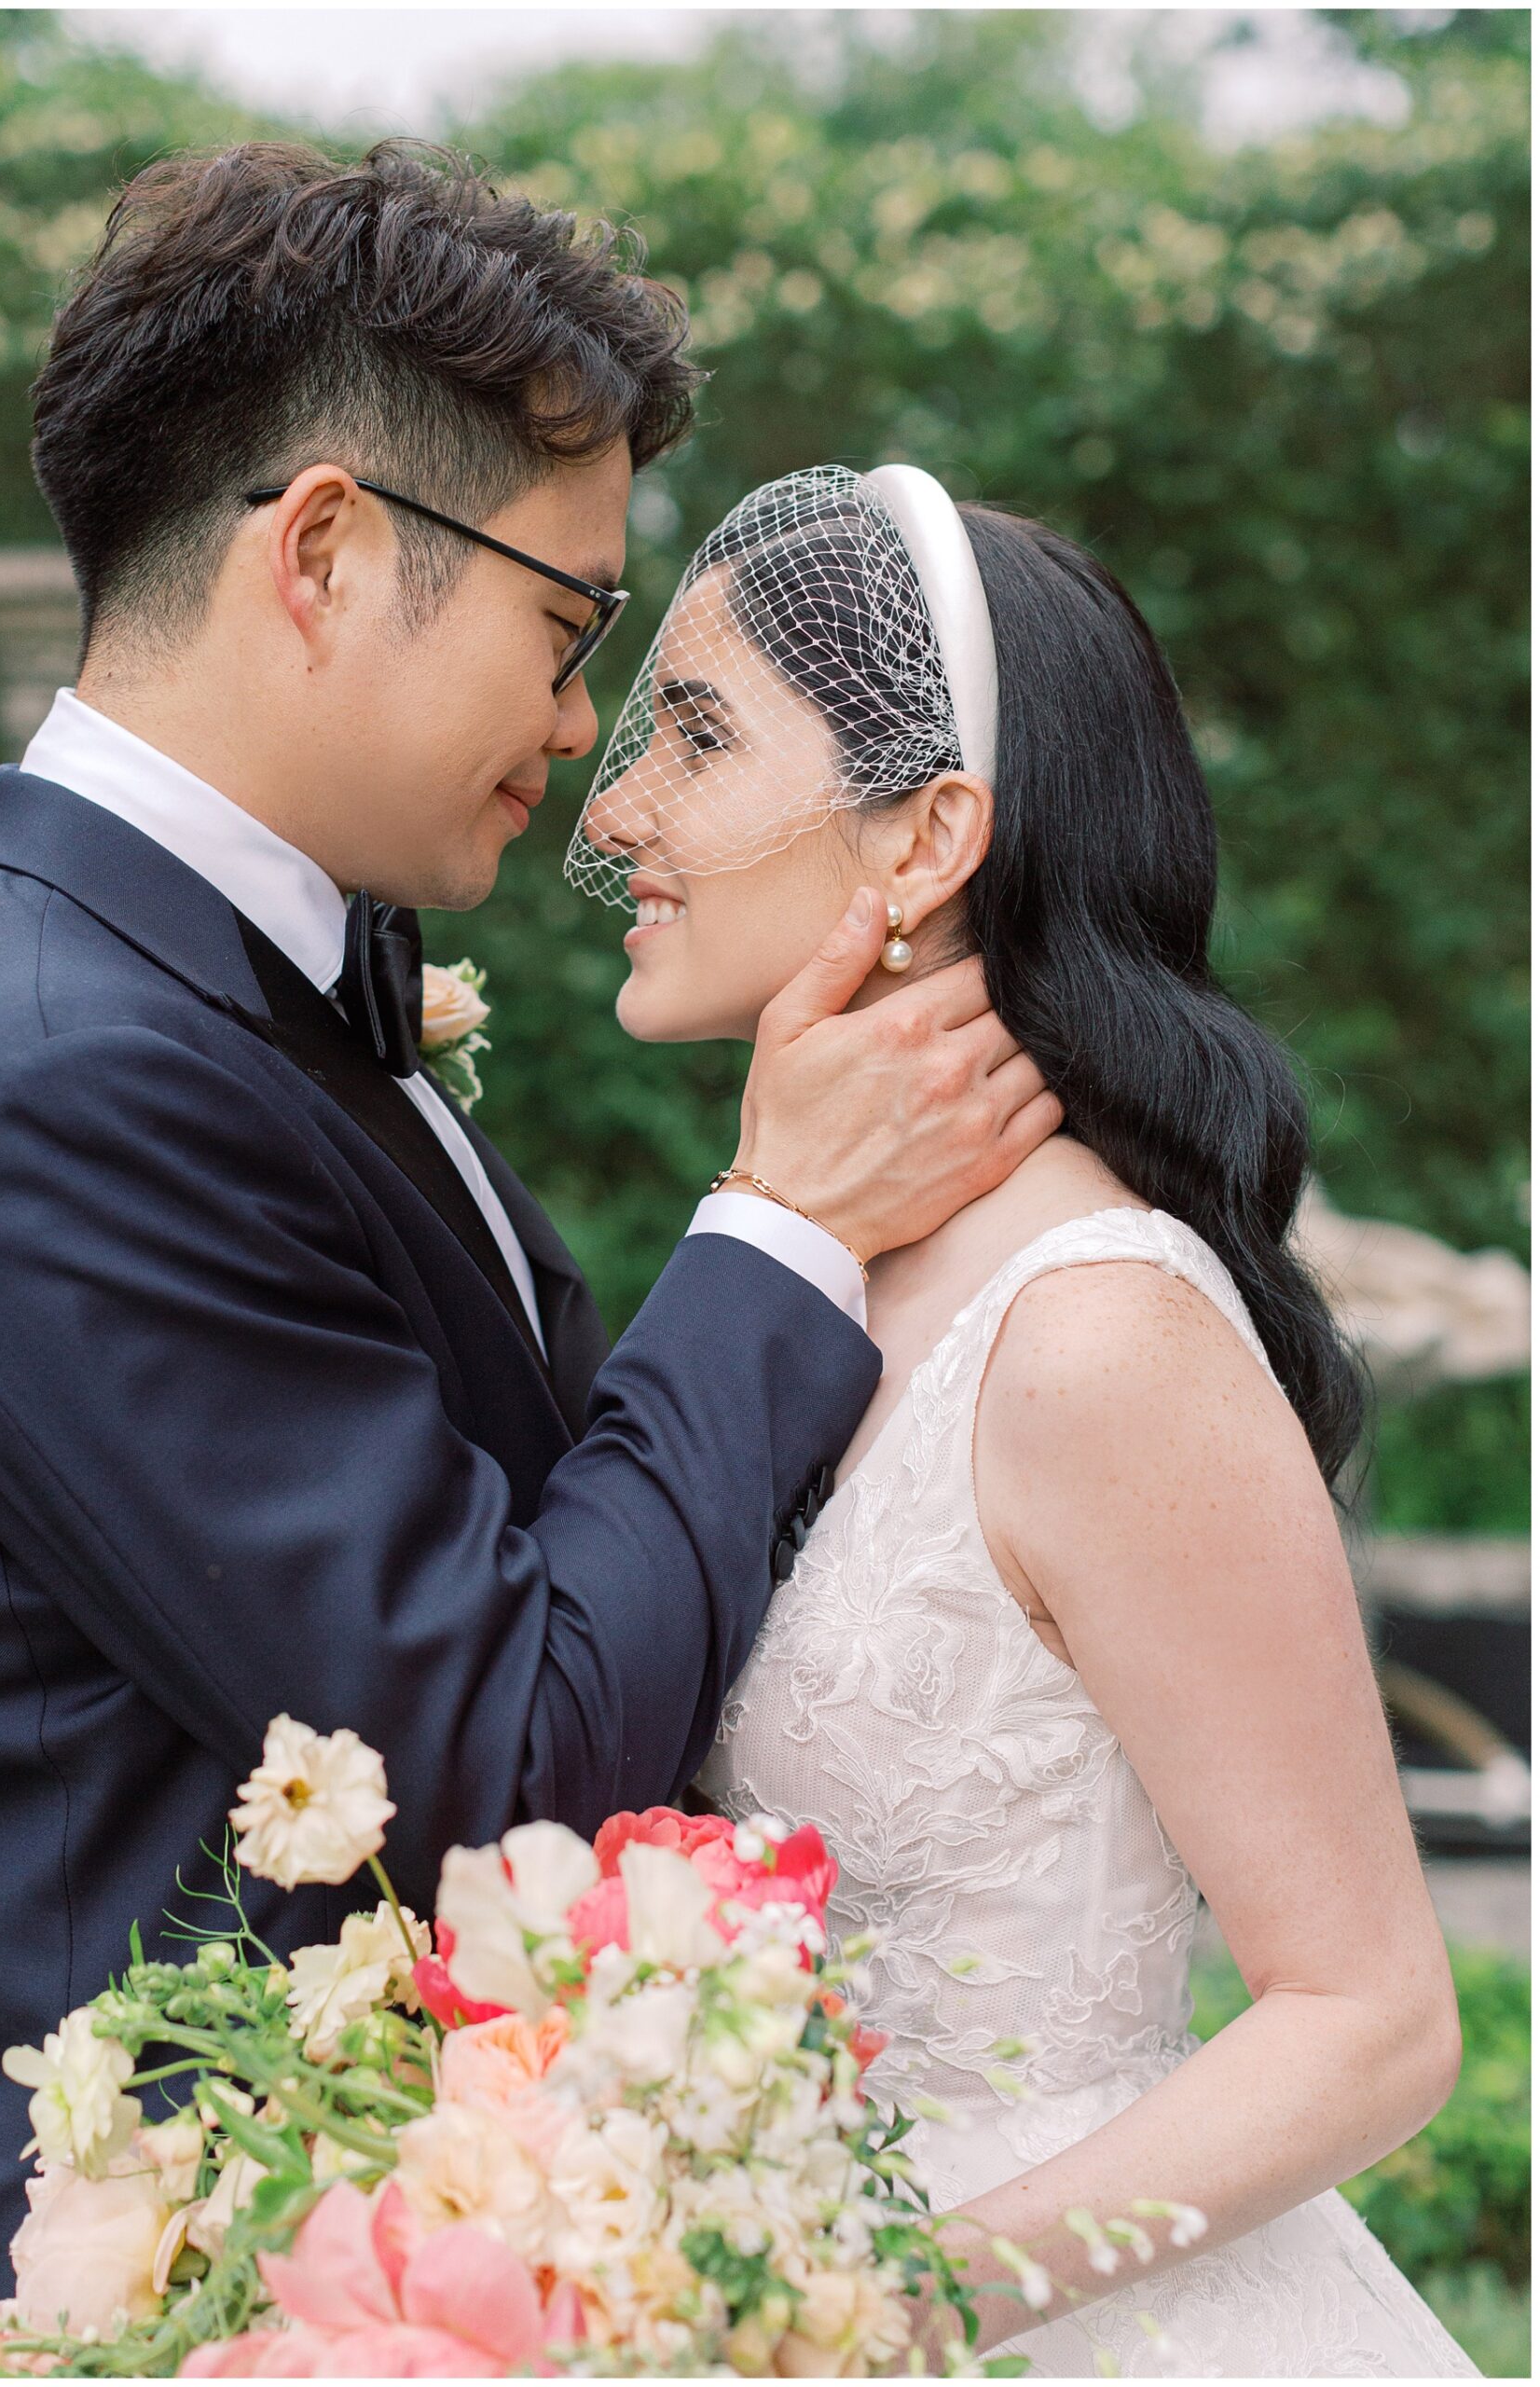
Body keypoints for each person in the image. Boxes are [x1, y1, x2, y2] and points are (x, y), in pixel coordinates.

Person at [0, 148, 1058, 2342]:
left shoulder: (226, 982)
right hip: (190, 2286)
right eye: (566, 626)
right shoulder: (64, 1078)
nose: (581, 731)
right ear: (325, 549)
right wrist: (776, 1228)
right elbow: (493, 1758)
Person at [571, 463, 1477, 2376]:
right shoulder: (816, 1267)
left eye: (698, 734)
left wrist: (880, 2311)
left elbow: (1373, 2013)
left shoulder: (1096, 1337)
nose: (616, 806)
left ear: (925, 837)